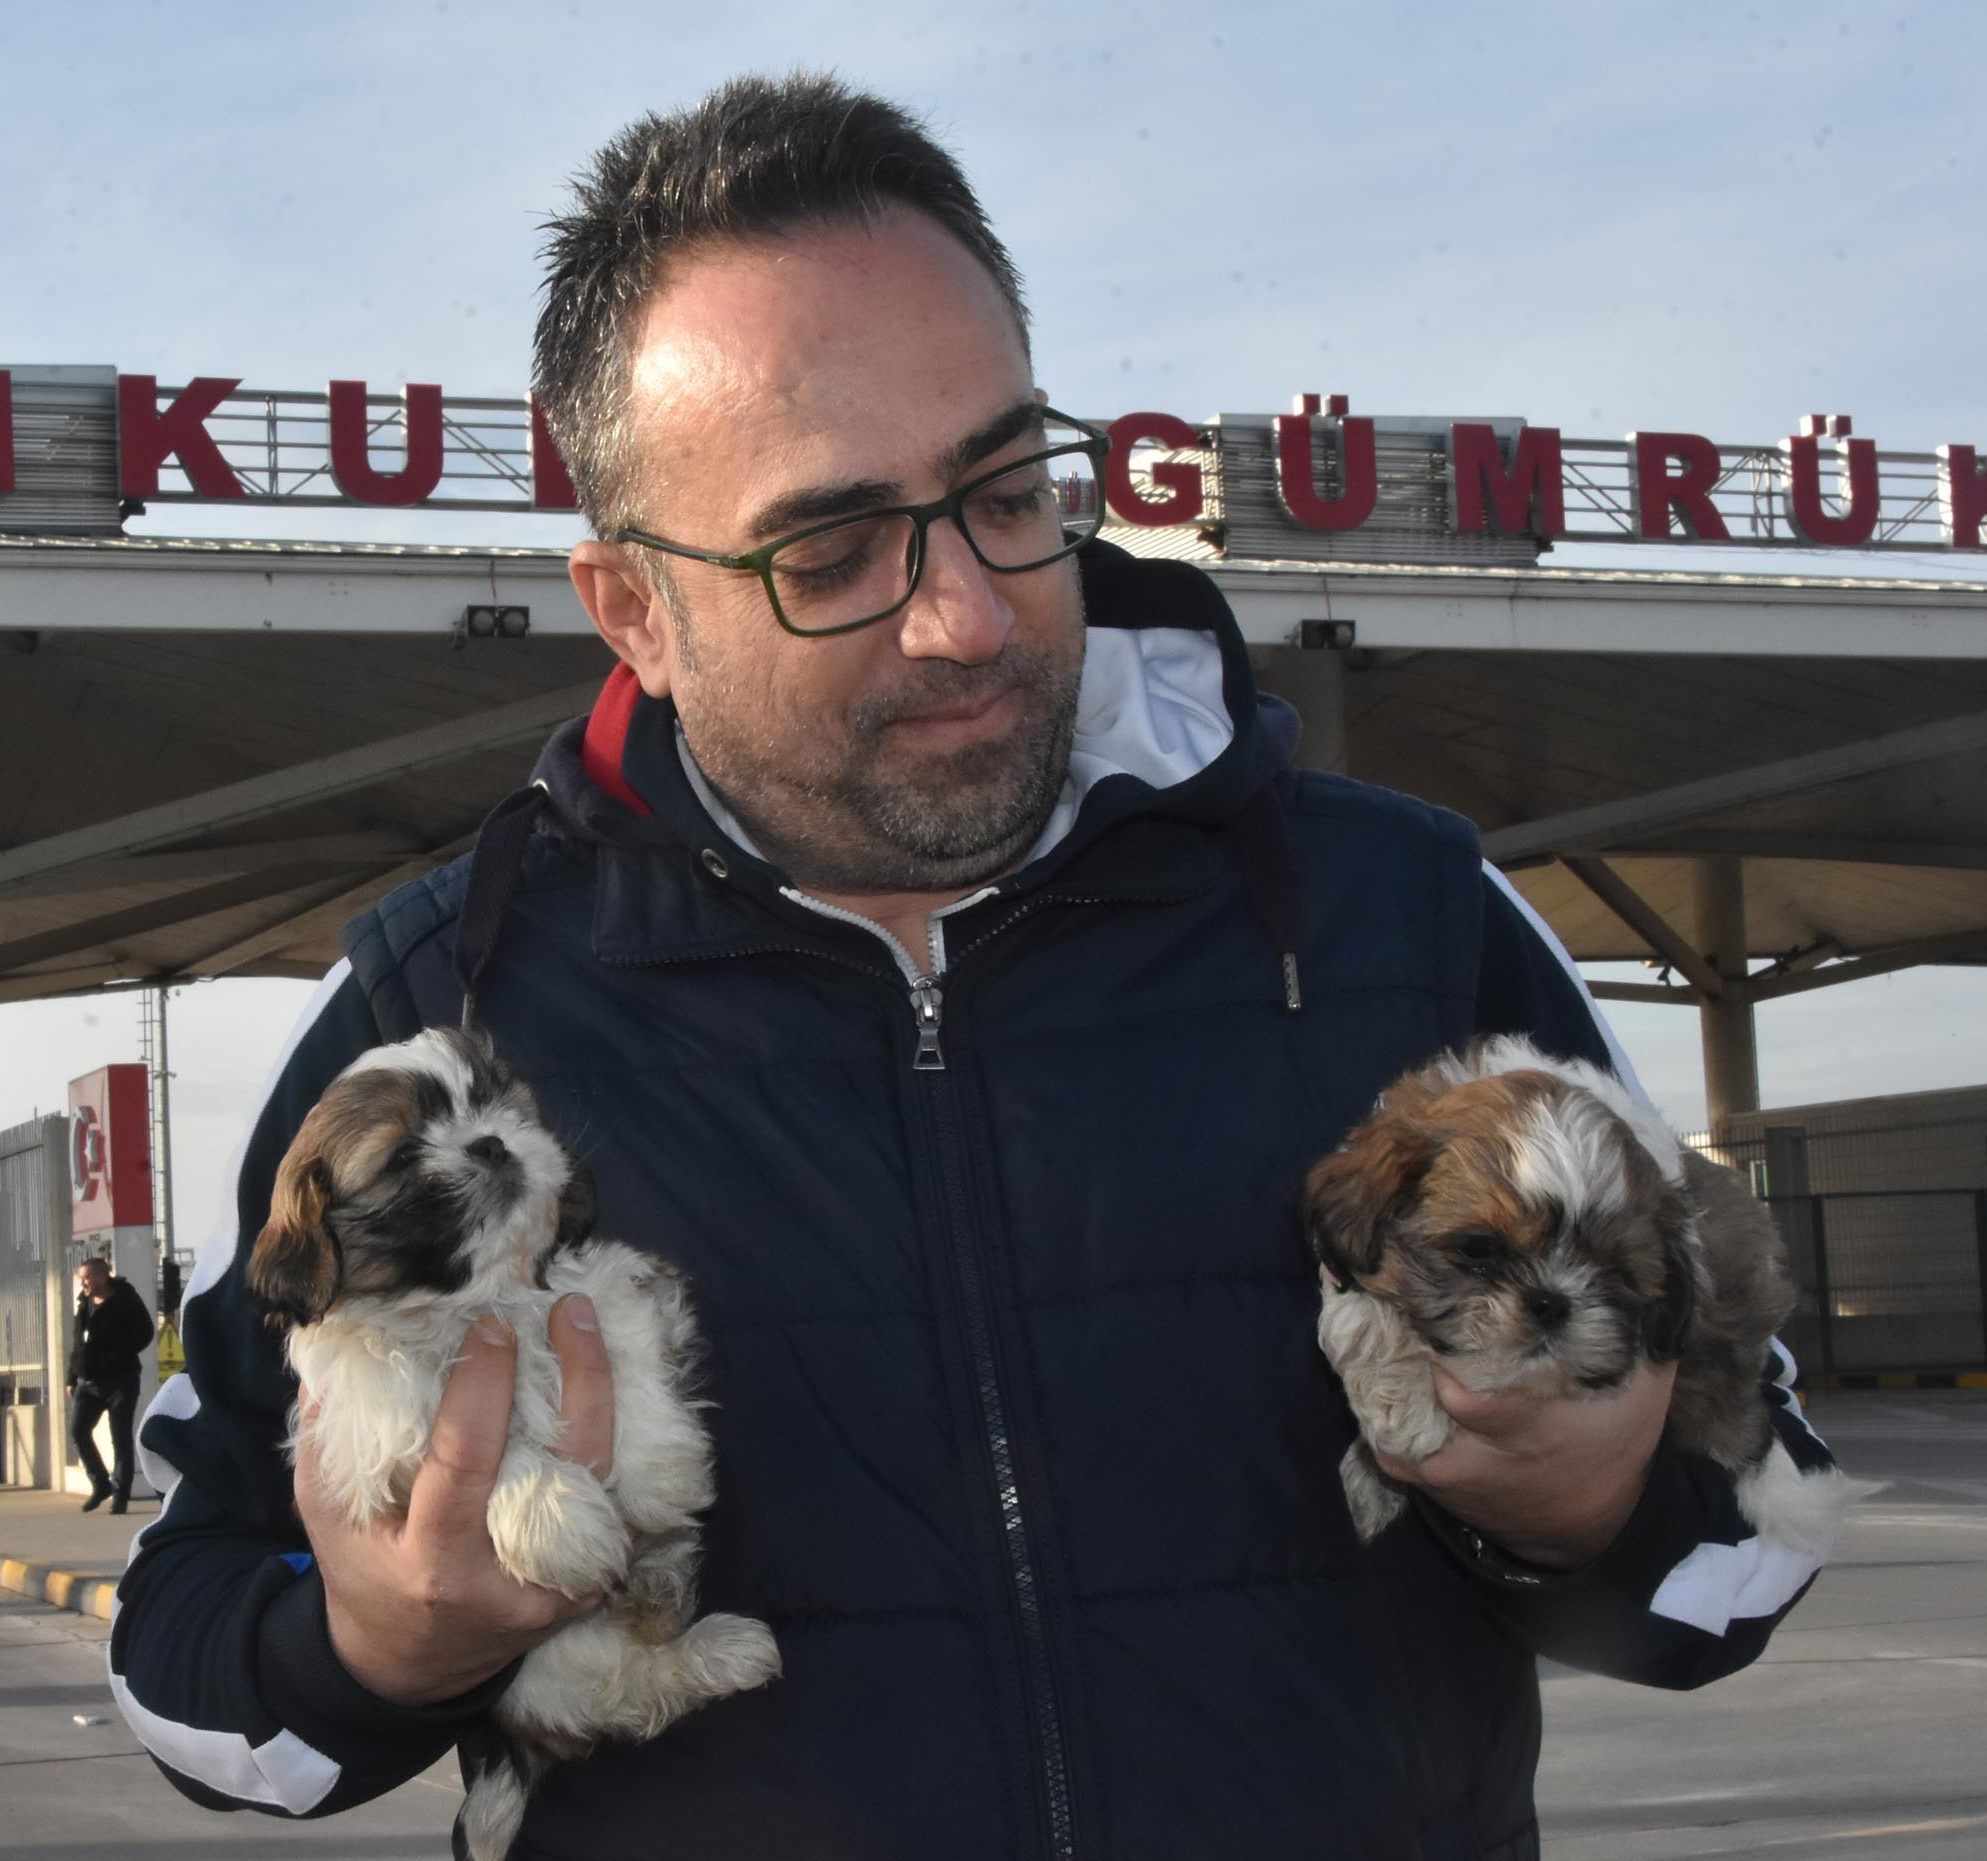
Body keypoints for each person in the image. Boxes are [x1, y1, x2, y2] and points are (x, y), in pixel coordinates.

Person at [109, 75, 1837, 1858]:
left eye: (1004, 489)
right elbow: (184, 1658)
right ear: (633, 608)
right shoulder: (434, 1016)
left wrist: (1583, 1505)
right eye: (828, 552)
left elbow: (1746, 1538)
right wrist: (372, 1646)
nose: (964, 613)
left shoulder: (1401, 916)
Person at [69, 1253, 153, 1516]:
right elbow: (77, 1344)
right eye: (81, 1280)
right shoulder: (84, 1303)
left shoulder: (125, 1299)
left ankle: (120, 1496)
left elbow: (145, 1332)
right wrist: (72, 1377)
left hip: (121, 1381)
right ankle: (100, 1483)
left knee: (120, 1438)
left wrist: (117, 1356)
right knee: (79, 1431)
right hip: (88, 1383)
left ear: (102, 1276)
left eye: (87, 1278)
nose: (84, 1284)